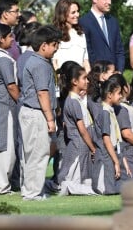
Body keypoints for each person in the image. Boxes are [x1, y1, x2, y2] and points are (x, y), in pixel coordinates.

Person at [18, 25, 62, 200]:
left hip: (33, 112)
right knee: (38, 153)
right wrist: (50, 119)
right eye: (54, 44)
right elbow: (42, 92)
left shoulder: (38, 61)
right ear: (44, 45)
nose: (56, 48)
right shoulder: (40, 64)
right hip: (37, 113)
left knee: (33, 153)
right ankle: (33, 193)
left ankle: (30, 190)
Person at [57, 62, 96, 195]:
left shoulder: (77, 99)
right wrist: (92, 147)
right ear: (74, 81)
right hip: (79, 145)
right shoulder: (73, 102)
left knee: (83, 177)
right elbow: (82, 129)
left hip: (82, 145)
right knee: (71, 180)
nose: (87, 81)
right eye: (84, 78)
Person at [0, 24, 19, 195]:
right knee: (4, 146)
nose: (13, 39)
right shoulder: (3, 59)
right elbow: (11, 86)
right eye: (10, 36)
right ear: (1, 39)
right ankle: (1, 186)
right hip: (4, 106)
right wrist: (22, 103)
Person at [79, 0, 125, 72]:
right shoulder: (84, 22)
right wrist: (98, 74)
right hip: (96, 76)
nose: (110, 2)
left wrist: (119, 72)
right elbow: (88, 52)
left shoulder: (113, 21)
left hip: (114, 77)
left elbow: (119, 50)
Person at [91, 77, 123, 195]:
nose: (121, 96)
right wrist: (116, 161)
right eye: (119, 93)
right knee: (105, 190)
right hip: (105, 155)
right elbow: (106, 138)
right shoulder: (104, 112)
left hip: (110, 155)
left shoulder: (109, 110)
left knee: (114, 189)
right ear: (110, 95)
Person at [53, 0, 90, 73]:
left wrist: (88, 77)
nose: (77, 14)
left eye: (77, 11)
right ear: (63, 14)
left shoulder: (81, 34)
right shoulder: (55, 34)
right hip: (64, 80)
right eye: (73, 12)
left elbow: (85, 61)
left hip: (80, 80)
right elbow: (54, 62)